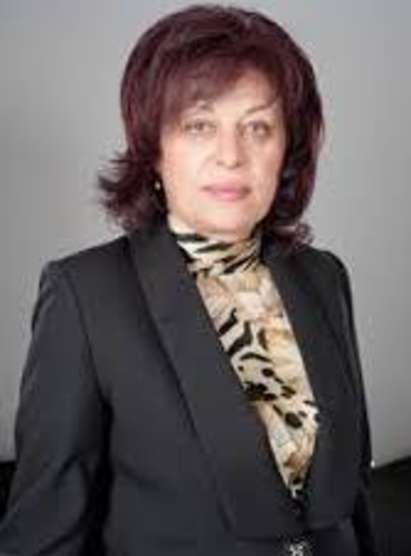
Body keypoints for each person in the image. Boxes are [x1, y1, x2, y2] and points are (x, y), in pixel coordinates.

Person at [0, 4, 379, 555]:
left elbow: (353, 496)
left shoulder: (323, 276)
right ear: (154, 148)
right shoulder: (86, 295)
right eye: (200, 125)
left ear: (286, 149)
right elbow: (44, 532)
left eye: (258, 127)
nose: (231, 156)